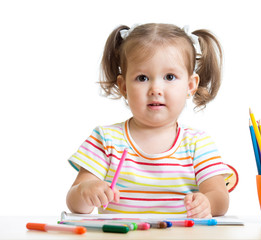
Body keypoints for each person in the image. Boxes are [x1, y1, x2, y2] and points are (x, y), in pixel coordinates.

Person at [66, 23, 238, 218]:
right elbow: (75, 203)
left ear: (190, 85)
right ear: (123, 87)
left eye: (170, 76)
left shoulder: (198, 144)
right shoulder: (105, 139)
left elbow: (220, 198)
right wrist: (85, 191)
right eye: (142, 78)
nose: (156, 89)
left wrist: (207, 203)